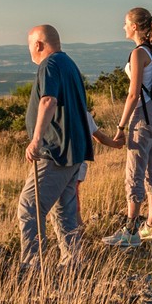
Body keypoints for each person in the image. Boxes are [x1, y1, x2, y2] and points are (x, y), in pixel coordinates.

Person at [17, 24, 94, 270]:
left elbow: (48, 100)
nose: (29, 50)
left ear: (38, 44)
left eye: (30, 45)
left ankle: (32, 265)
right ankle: (73, 262)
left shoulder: (49, 65)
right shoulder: (69, 63)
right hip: (74, 151)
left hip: (56, 151)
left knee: (29, 206)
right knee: (64, 209)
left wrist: (36, 139)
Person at [102, 8, 152, 247]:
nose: (123, 27)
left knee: (135, 170)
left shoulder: (139, 53)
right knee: (151, 165)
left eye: (125, 23)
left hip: (144, 114)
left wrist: (121, 126)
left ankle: (131, 228)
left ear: (134, 26)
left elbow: (134, 93)